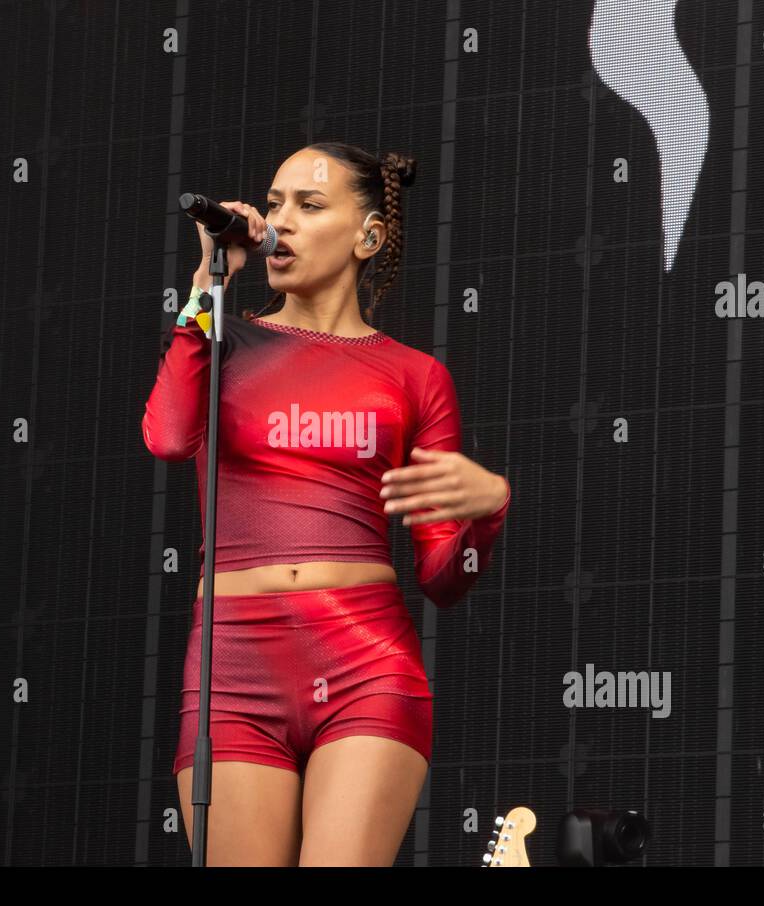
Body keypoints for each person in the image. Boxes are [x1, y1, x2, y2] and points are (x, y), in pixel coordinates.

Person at [142, 143, 511, 865]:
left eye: (309, 206)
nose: (281, 222)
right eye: (274, 203)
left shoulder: (415, 375)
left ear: (368, 237)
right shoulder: (221, 338)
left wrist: (489, 510)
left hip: (366, 666)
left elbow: (443, 579)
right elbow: (168, 435)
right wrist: (205, 289)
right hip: (232, 670)